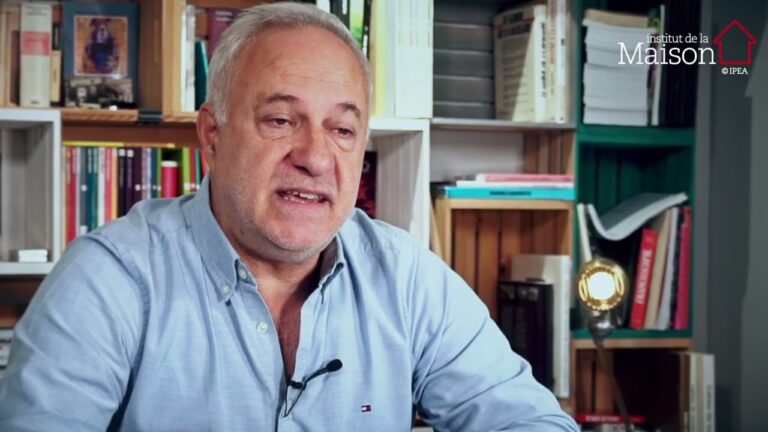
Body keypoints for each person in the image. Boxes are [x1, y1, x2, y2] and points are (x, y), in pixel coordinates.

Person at [0, 3, 578, 431]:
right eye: (280, 120)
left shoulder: (405, 277)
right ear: (213, 136)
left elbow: (530, 422)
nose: (316, 158)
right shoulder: (110, 279)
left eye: (342, 129)